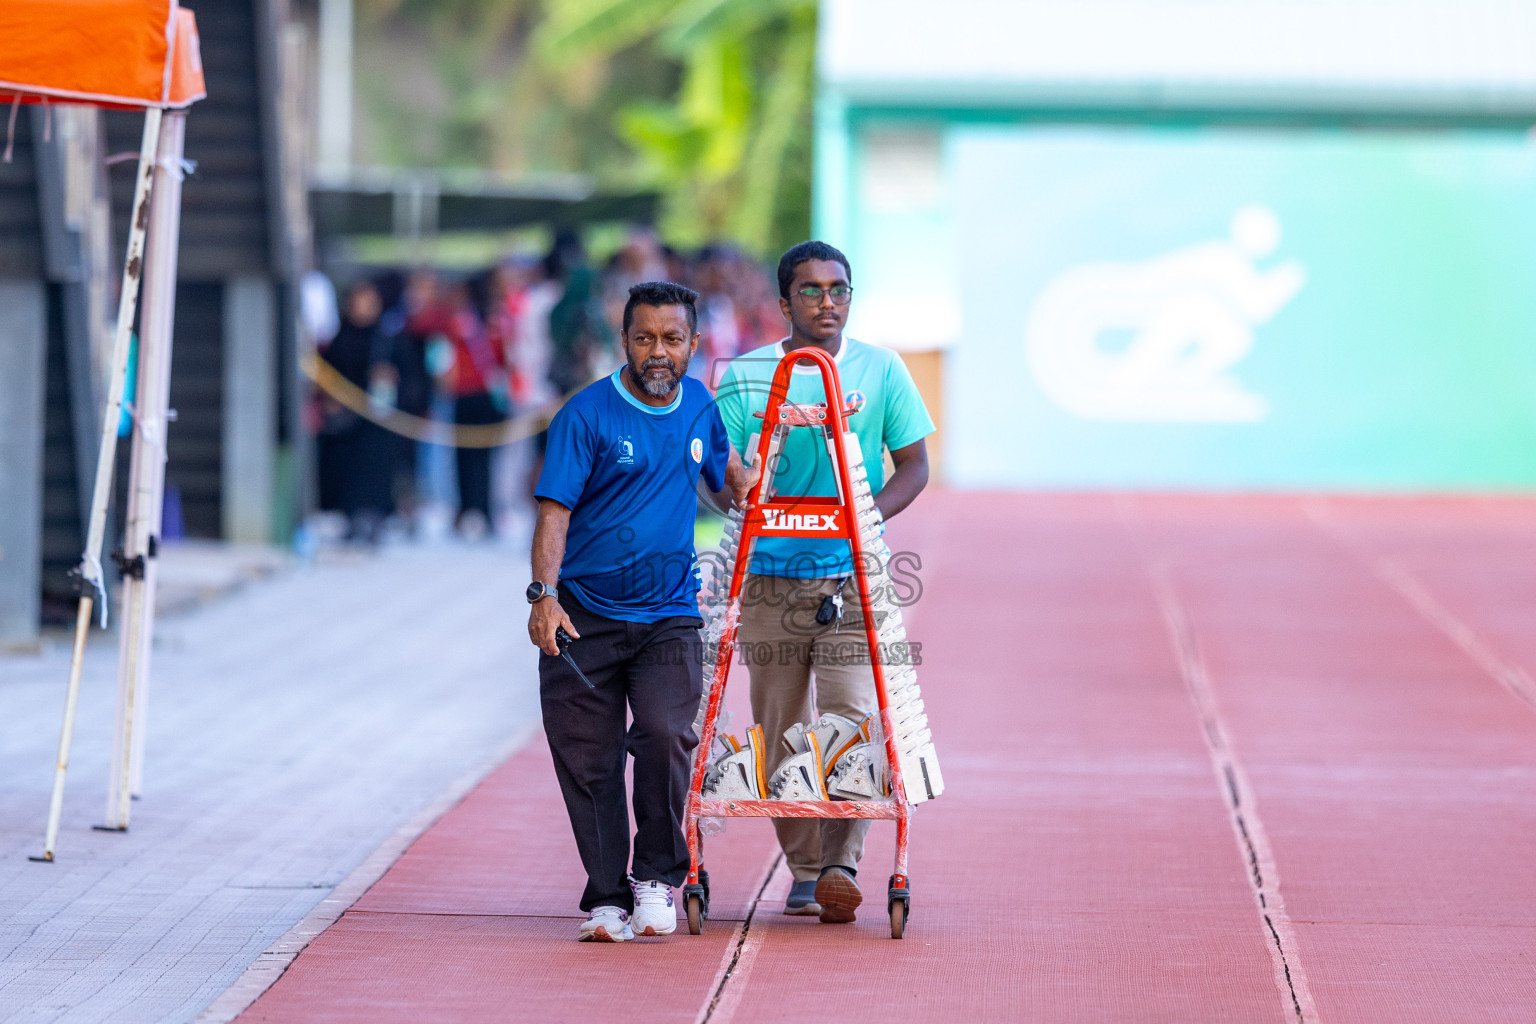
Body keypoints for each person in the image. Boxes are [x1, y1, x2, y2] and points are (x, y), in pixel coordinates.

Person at [528, 281, 757, 942]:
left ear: (693, 343)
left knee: (664, 734)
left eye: (673, 339)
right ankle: (606, 899)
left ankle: (656, 878)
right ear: (624, 340)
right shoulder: (586, 414)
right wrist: (544, 596)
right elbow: (554, 511)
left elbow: (726, 480)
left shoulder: (700, 407)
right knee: (588, 759)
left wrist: (749, 477)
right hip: (582, 616)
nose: (659, 352)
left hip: (670, 614)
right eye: (645, 338)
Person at [714, 241, 935, 923]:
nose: (827, 301)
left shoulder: (882, 368)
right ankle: (804, 869)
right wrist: (740, 495)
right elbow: (717, 475)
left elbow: (914, 466)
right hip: (770, 581)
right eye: (810, 290)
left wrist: (865, 521)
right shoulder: (746, 376)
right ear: (784, 303)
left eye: (839, 289)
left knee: (852, 718)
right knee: (781, 729)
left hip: (852, 579)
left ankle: (843, 863)